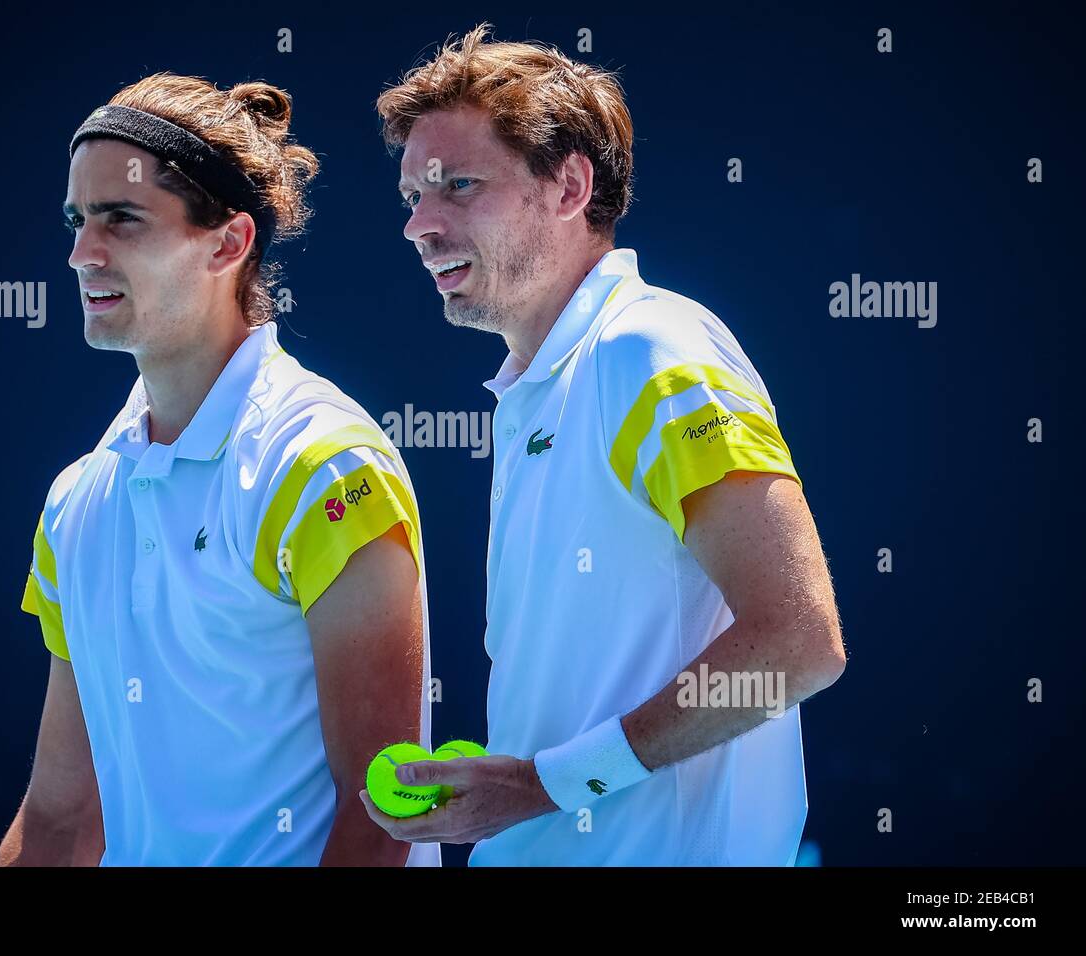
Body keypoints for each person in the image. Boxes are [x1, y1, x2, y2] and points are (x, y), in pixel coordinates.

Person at [361, 25, 845, 865]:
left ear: (569, 186)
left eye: (459, 186)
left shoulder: (651, 352)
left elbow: (799, 646)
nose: (420, 226)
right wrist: (522, 778)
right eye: (412, 198)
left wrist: (544, 786)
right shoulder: (546, 386)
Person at [0, 73, 438, 867]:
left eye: (121, 220)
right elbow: (60, 821)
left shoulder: (323, 466)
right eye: (77, 220)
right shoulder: (74, 505)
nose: (80, 254)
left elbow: (382, 818)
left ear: (228, 244)